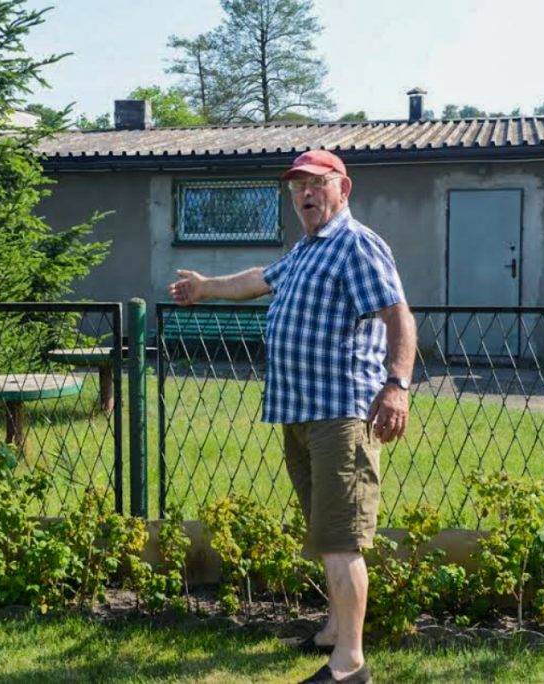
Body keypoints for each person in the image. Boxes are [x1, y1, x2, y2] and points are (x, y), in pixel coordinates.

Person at [168, 149, 417, 684]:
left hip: (341, 415)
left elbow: (398, 315)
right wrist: (206, 286)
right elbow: (259, 279)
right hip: (302, 414)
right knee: (325, 532)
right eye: (297, 186)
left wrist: (397, 387)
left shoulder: (356, 244)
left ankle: (349, 664)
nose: (305, 193)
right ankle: (334, 631)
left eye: (317, 183)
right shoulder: (307, 250)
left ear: (343, 188)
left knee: (342, 539)